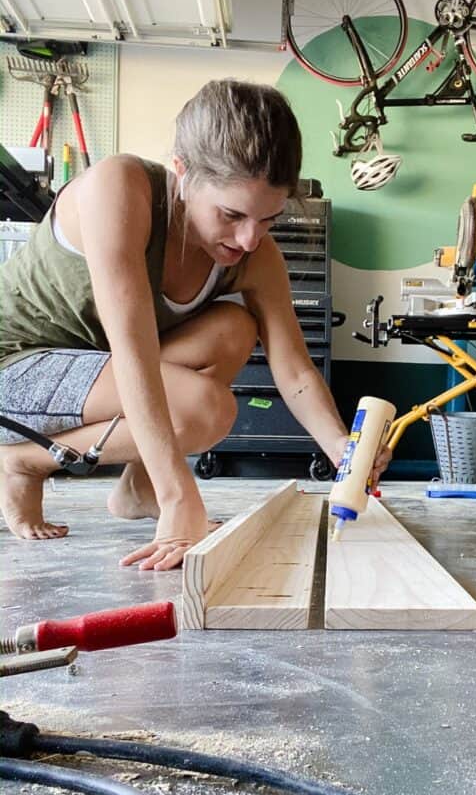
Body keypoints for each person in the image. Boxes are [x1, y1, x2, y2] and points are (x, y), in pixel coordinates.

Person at [0, 79, 390, 570]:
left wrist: (341, 449)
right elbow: (134, 355)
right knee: (204, 409)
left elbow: (294, 372)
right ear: (182, 173)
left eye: (268, 219)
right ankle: (21, 461)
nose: (249, 239)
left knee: (233, 327)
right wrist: (178, 495)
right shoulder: (117, 190)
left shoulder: (255, 255)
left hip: (97, 373)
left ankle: (137, 489)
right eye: (231, 214)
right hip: (16, 370)